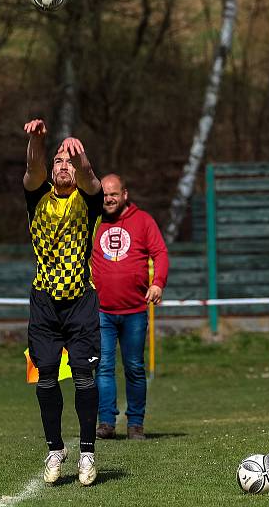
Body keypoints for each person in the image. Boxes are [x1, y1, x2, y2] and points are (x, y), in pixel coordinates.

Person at [22, 119, 103, 486]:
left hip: (81, 300)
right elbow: (32, 168)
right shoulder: (36, 194)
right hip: (44, 302)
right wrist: (38, 142)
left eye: (67, 161)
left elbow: (89, 177)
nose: (64, 165)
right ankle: (55, 448)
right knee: (46, 378)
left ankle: (87, 453)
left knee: (84, 378)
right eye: (59, 161)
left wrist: (79, 152)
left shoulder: (87, 199)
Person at [90, 174, 169, 441]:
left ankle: (136, 423)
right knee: (103, 367)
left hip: (135, 311)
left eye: (113, 194)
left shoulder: (143, 220)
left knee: (134, 367)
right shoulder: (93, 220)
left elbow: (160, 253)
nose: (108, 199)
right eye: (104, 195)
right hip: (101, 311)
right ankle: (106, 422)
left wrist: (158, 283)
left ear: (125, 194)